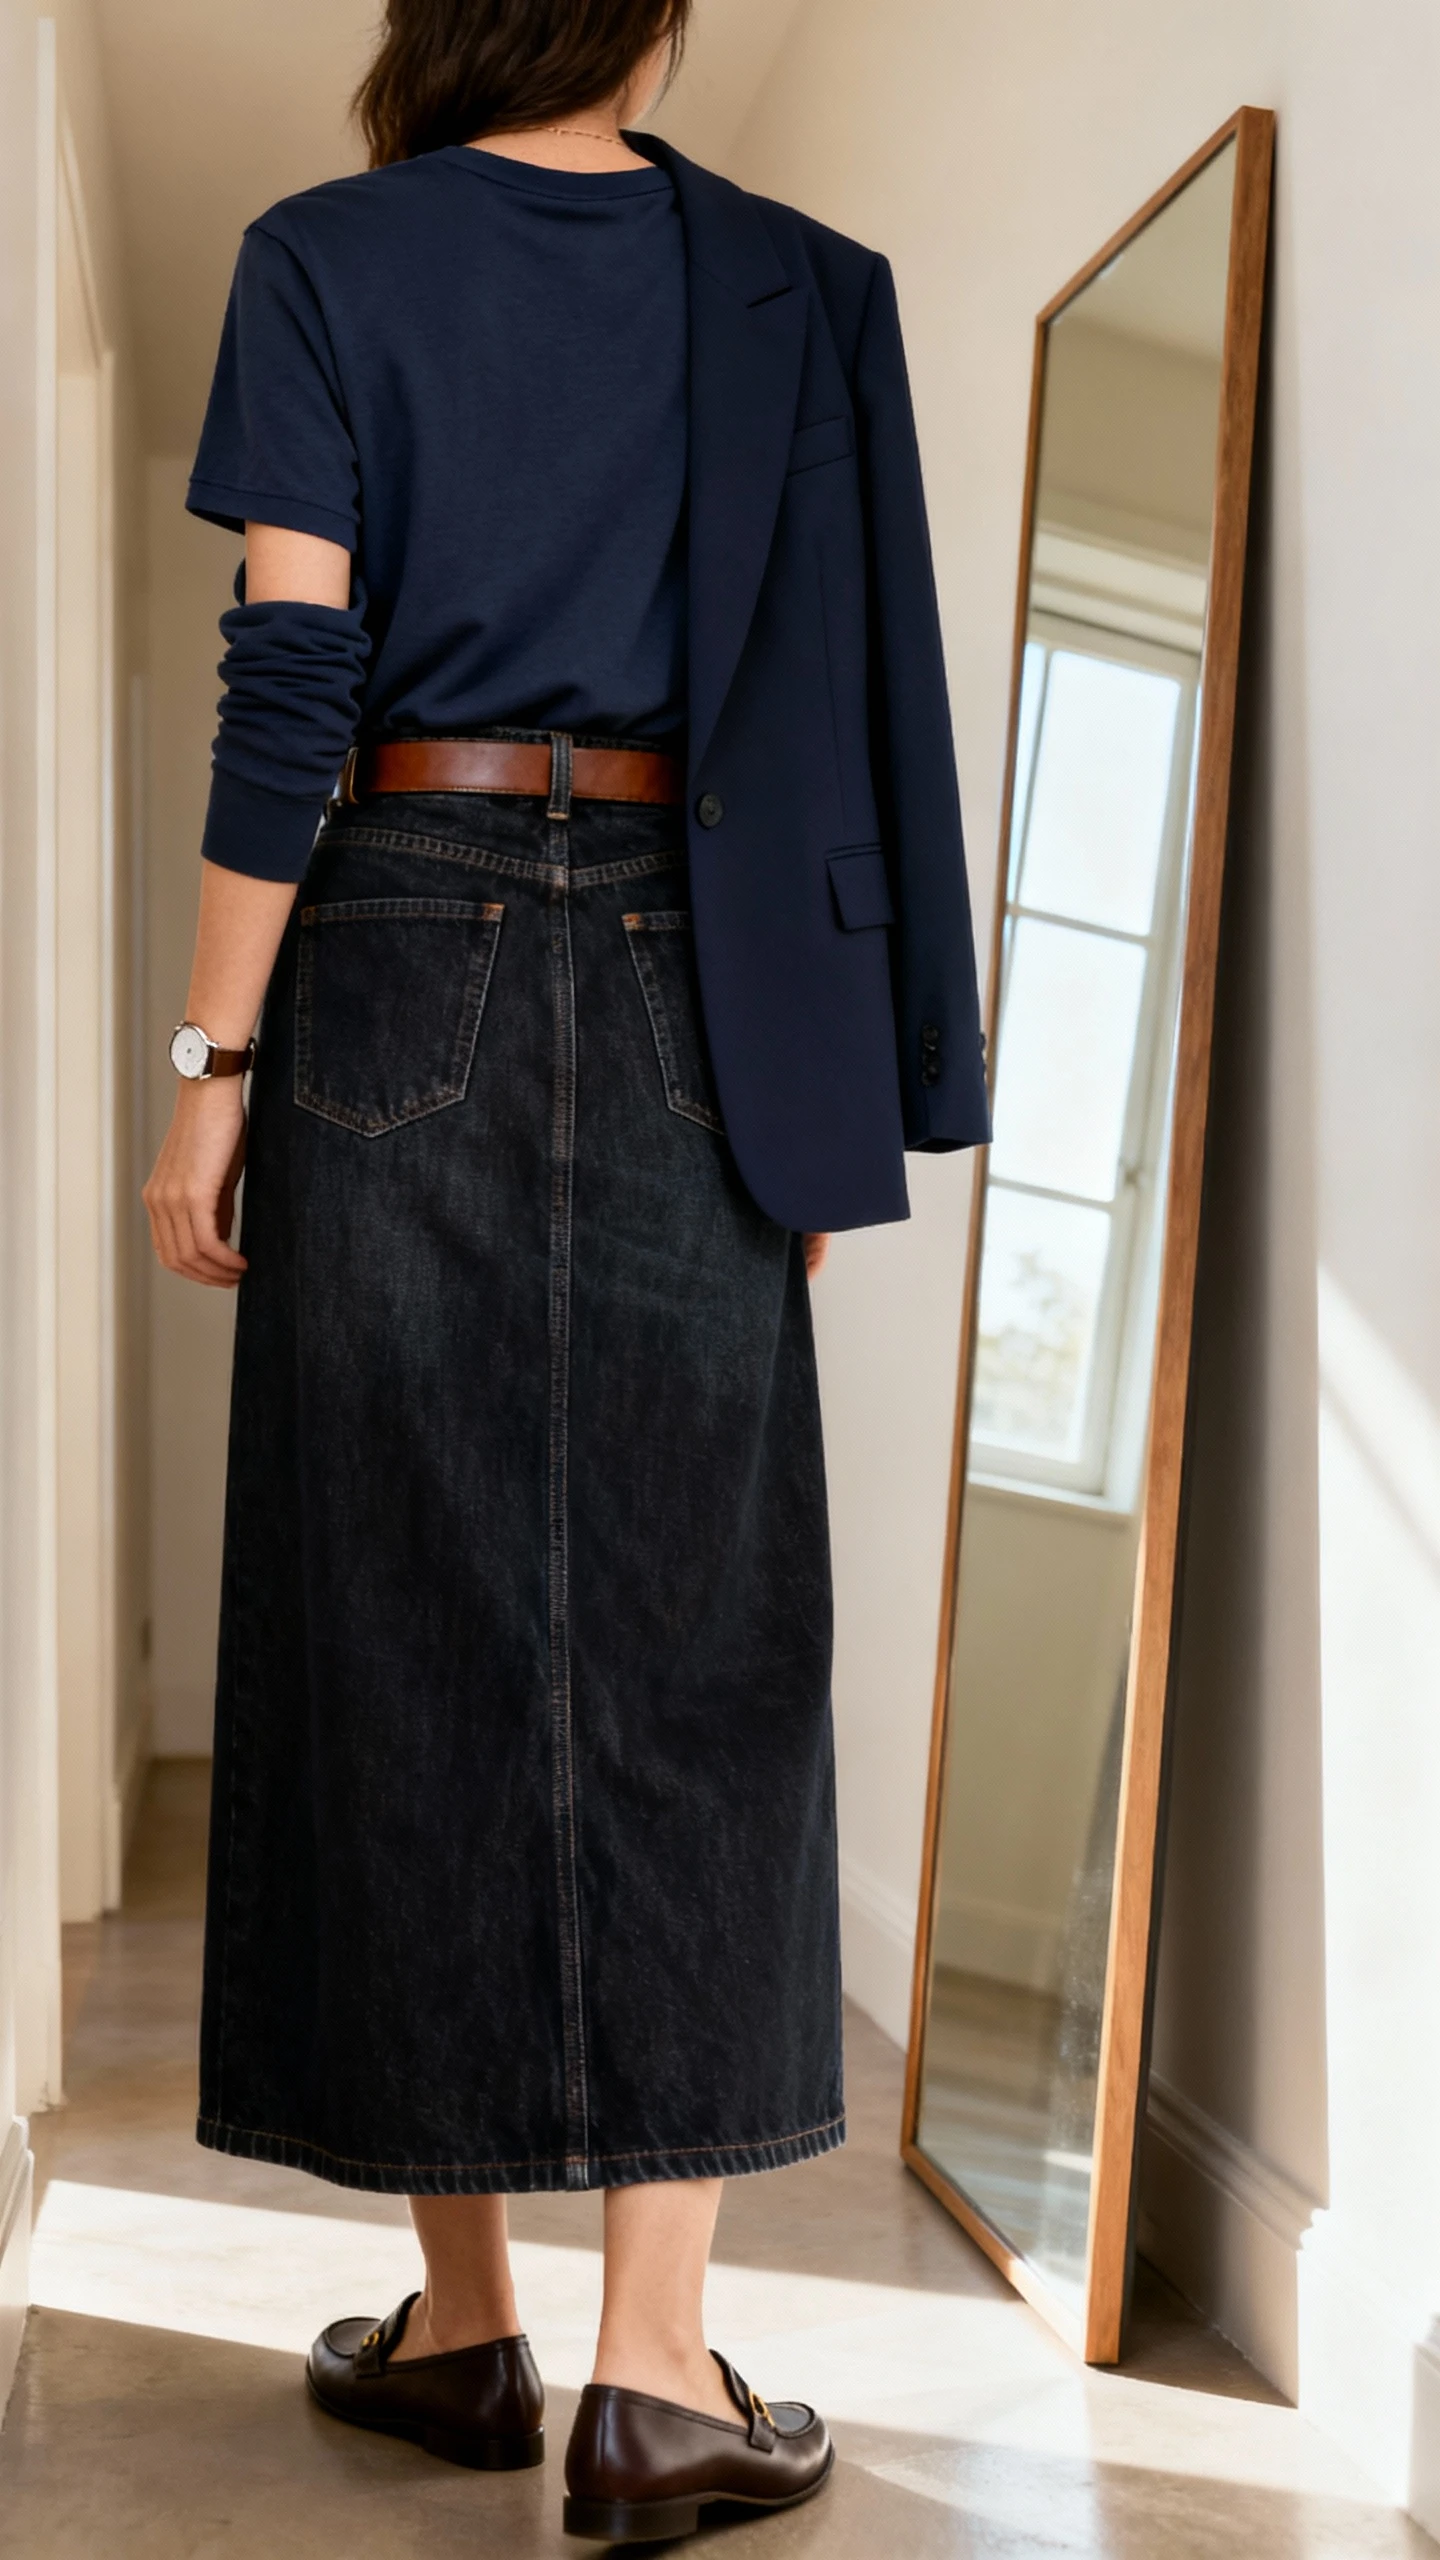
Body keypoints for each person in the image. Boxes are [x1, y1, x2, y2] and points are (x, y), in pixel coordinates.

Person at [143, 0, 989, 2541]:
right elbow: (872, 709)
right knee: (697, 1646)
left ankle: (464, 2318)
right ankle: (652, 2372)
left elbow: (294, 669)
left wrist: (213, 1055)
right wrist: (868, 1087)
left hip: (390, 942)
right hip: (696, 980)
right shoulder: (795, 283)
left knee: (397, 1609)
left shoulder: (324, 258)